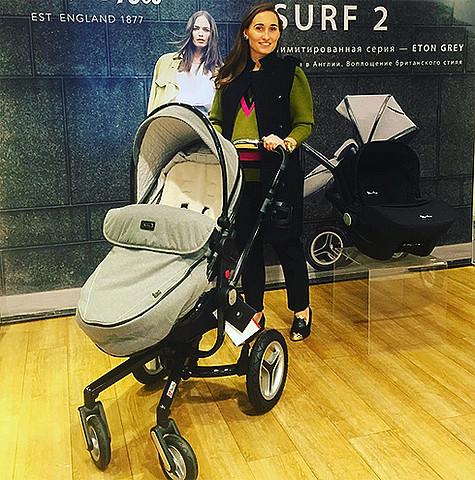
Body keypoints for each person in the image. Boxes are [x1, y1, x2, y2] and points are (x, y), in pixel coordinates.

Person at [210, 3, 314, 341]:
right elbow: (216, 121)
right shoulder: (229, 76)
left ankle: (301, 310)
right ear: (246, 33)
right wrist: (215, 141)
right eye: (259, 28)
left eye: (273, 28)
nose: (267, 35)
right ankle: (254, 309)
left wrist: (287, 141)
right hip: (241, 178)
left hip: (279, 174)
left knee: (287, 243)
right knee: (248, 245)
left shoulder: (290, 73)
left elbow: (304, 123)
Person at [147, 11, 222, 115]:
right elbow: (153, 101)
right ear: (190, 31)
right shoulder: (166, 62)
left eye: (206, 30)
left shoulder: (220, 71)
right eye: (196, 28)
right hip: (171, 120)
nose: (200, 34)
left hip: (203, 123)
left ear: (212, 34)